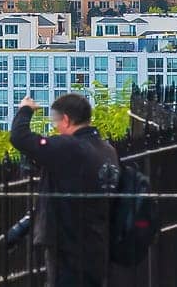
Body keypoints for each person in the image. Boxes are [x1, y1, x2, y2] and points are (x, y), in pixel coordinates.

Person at [9, 93, 120, 287]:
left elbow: (20, 137)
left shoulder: (69, 147)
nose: (56, 128)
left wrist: (25, 109)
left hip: (68, 246)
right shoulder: (107, 150)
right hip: (99, 243)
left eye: (56, 122)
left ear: (67, 120)